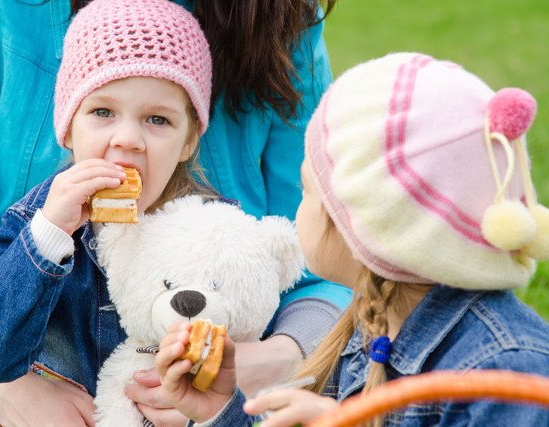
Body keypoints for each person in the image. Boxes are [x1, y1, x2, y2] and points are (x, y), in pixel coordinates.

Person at [0, 0, 350, 426]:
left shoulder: (217, 229)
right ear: (66, 123)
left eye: (157, 119)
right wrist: (8, 388)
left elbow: (328, 264)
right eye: (102, 112)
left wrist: (247, 380)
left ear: (192, 136)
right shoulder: (35, 224)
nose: (128, 139)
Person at [155, 52, 549, 426]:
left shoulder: (505, 371)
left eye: (307, 189)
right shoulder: (376, 323)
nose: (297, 208)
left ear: (361, 227)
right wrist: (221, 410)